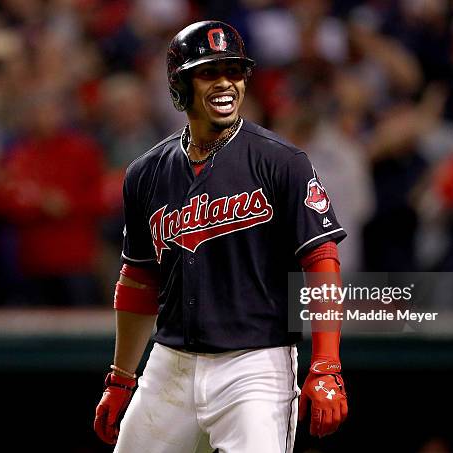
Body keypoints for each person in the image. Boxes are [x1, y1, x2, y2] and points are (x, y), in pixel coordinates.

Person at [94, 21, 348, 452]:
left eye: (234, 71)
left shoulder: (282, 161)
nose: (226, 82)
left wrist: (326, 364)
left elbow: (321, 262)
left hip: (255, 366)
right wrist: (122, 376)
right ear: (180, 84)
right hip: (170, 363)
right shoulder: (145, 173)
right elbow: (138, 283)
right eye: (209, 72)